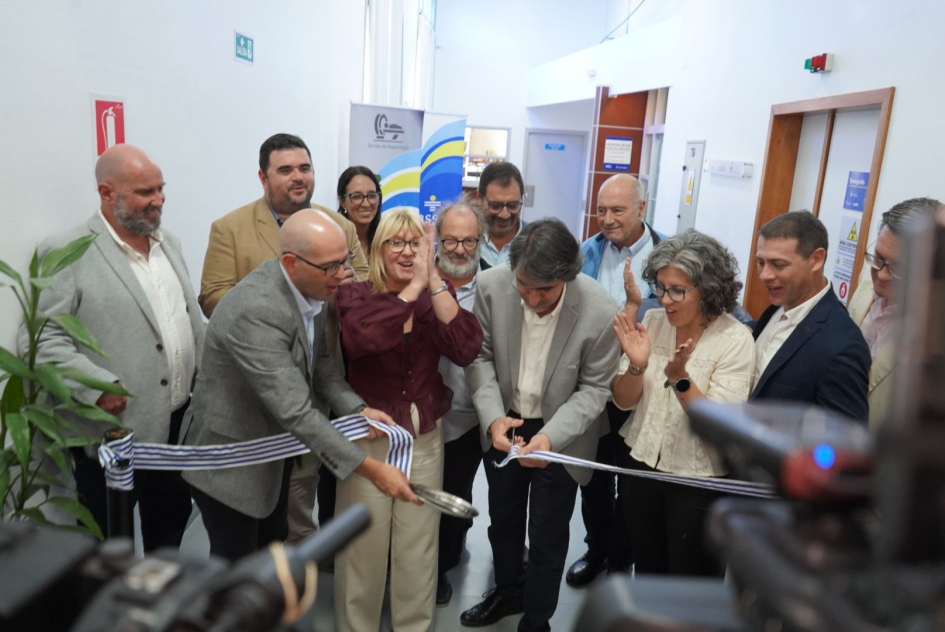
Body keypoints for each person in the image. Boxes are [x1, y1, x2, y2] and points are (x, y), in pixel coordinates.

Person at [182, 209, 417, 562]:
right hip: (229, 464)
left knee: (272, 551)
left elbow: (320, 365)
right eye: (331, 267)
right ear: (291, 262)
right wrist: (372, 470)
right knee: (238, 571)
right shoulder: (257, 310)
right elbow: (295, 410)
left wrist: (357, 408)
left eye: (346, 261)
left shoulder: (313, 287)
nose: (343, 275)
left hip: (272, 456)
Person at [23, 144, 205, 551]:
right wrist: (96, 385)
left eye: (161, 189)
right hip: (112, 436)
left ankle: (163, 607)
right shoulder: (67, 251)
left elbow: (190, 322)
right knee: (108, 547)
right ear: (107, 193)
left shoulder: (169, 243)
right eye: (145, 192)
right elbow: (39, 341)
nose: (157, 200)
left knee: (170, 530)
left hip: (177, 426)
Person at [198, 133, 369, 545]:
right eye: (286, 170)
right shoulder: (231, 228)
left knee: (300, 479)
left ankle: (298, 558)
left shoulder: (337, 225)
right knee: (249, 526)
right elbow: (212, 295)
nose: (298, 178)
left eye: (305, 168)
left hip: (317, 368)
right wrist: (273, 310)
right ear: (263, 177)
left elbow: (361, 285)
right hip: (251, 396)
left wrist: (323, 286)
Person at [462, 218, 620, 631]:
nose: (531, 300)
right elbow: (479, 358)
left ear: (569, 276)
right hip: (506, 420)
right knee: (504, 521)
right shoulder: (492, 286)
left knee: (549, 534)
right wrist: (494, 419)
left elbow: (593, 391)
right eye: (523, 287)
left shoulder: (600, 310)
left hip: (563, 431)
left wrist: (549, 439)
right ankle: (508, 591)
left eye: (544, 292)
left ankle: (537, 619)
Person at [333, 209, 483, 632]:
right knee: (363, 543)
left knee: (418, 545)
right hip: (368, 441)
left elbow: (466, 346)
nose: (406, 251)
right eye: (395, 243)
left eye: (415, 243)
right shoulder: (354, 294)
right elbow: (360, 339)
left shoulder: (433, 297)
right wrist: (411, 288)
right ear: (378, 250)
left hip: (423, 438)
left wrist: (432, 281)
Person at [612, 230, 754, 576]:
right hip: (641, 467)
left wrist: (680, 379)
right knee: (647, 569)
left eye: (677, 290)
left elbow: (721, 427)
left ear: (708, 288)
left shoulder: (735, 339)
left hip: (697, 482)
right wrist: (637, 366)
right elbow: (622, 402)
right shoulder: (652, 322)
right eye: (660, 288)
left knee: (689, 580)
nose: (665, 300)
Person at [566, 173, 664, 585]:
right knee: (595, 476)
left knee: (635, 481)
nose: (606, 218)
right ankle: (598, 549)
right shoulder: (584, 253)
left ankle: (623, 560)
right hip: (595, 385)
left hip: (645, 386)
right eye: (601, 209)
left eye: (618, 210)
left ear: (641, 209)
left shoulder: (671, 255)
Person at [752, 211, 871, 421]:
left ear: (816, 259)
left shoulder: (842, 346)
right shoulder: (777, 306)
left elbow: (844, 443)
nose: (764, 275)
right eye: (761, 263)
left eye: (778, 265)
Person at [432, 199, 491, 606]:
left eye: (468, 241)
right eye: (450, 239)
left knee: (456, 493)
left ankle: (443, 564)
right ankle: (424, 570)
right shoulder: (415, 279)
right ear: (436, 239)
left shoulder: (497, 287)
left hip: (470, 416)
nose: (458, 249)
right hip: (420, 418)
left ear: (481, 241)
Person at [847, 197, 941, 426]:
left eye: (898, 267)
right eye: (878, 259)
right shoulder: (867, 278)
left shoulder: (936, 327)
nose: (882, 275)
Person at [478, 161, 526, 267]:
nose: (504, 215)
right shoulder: (465, 240)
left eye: (513, 205)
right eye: (495, 206)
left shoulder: (536, 241)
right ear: (480, 199)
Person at [337, 165, 382, 262]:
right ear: (342, 201)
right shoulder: (332, 239)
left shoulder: (386, 239)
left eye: (371, 195)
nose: (366, 204)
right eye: (357, 196)